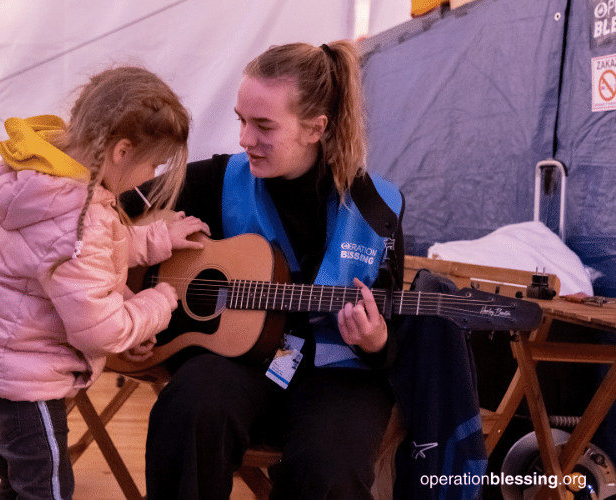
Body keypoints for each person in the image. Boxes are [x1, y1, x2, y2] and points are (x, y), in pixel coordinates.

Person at [124, 40, 487, 500]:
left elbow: (390, 333)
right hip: (240, 365)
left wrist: (375, 341)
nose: (243, 140)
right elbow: (104, 214)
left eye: (263, 126)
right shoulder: (218, 179)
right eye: (241, 120)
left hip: (339, 376)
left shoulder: (377, 208)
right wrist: (126, 311)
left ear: (316, 128)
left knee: (329, 467)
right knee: (188, 408)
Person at [0, 66, 209, 500]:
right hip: (27, 378)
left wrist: (156, 239)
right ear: (121, 150)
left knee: (19, 485)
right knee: (47, 491)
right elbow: (103, 328)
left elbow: (89, 255)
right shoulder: (77, 218)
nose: (150, 175)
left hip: (1, 360)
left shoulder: (49, 181)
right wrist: (158, 302)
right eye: (152, 163)